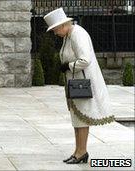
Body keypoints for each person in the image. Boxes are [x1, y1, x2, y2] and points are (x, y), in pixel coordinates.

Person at [43, 8, 115, 164]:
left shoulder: (77, 34)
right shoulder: (68, 35)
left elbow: (85, 60)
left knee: (81, 119)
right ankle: (78, 151)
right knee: (77, 118)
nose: (55, 33)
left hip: (81, 84)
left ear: (63, 25)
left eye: (55, 30)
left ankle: (81, 152)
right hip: (74, 83)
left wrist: (68, 66)